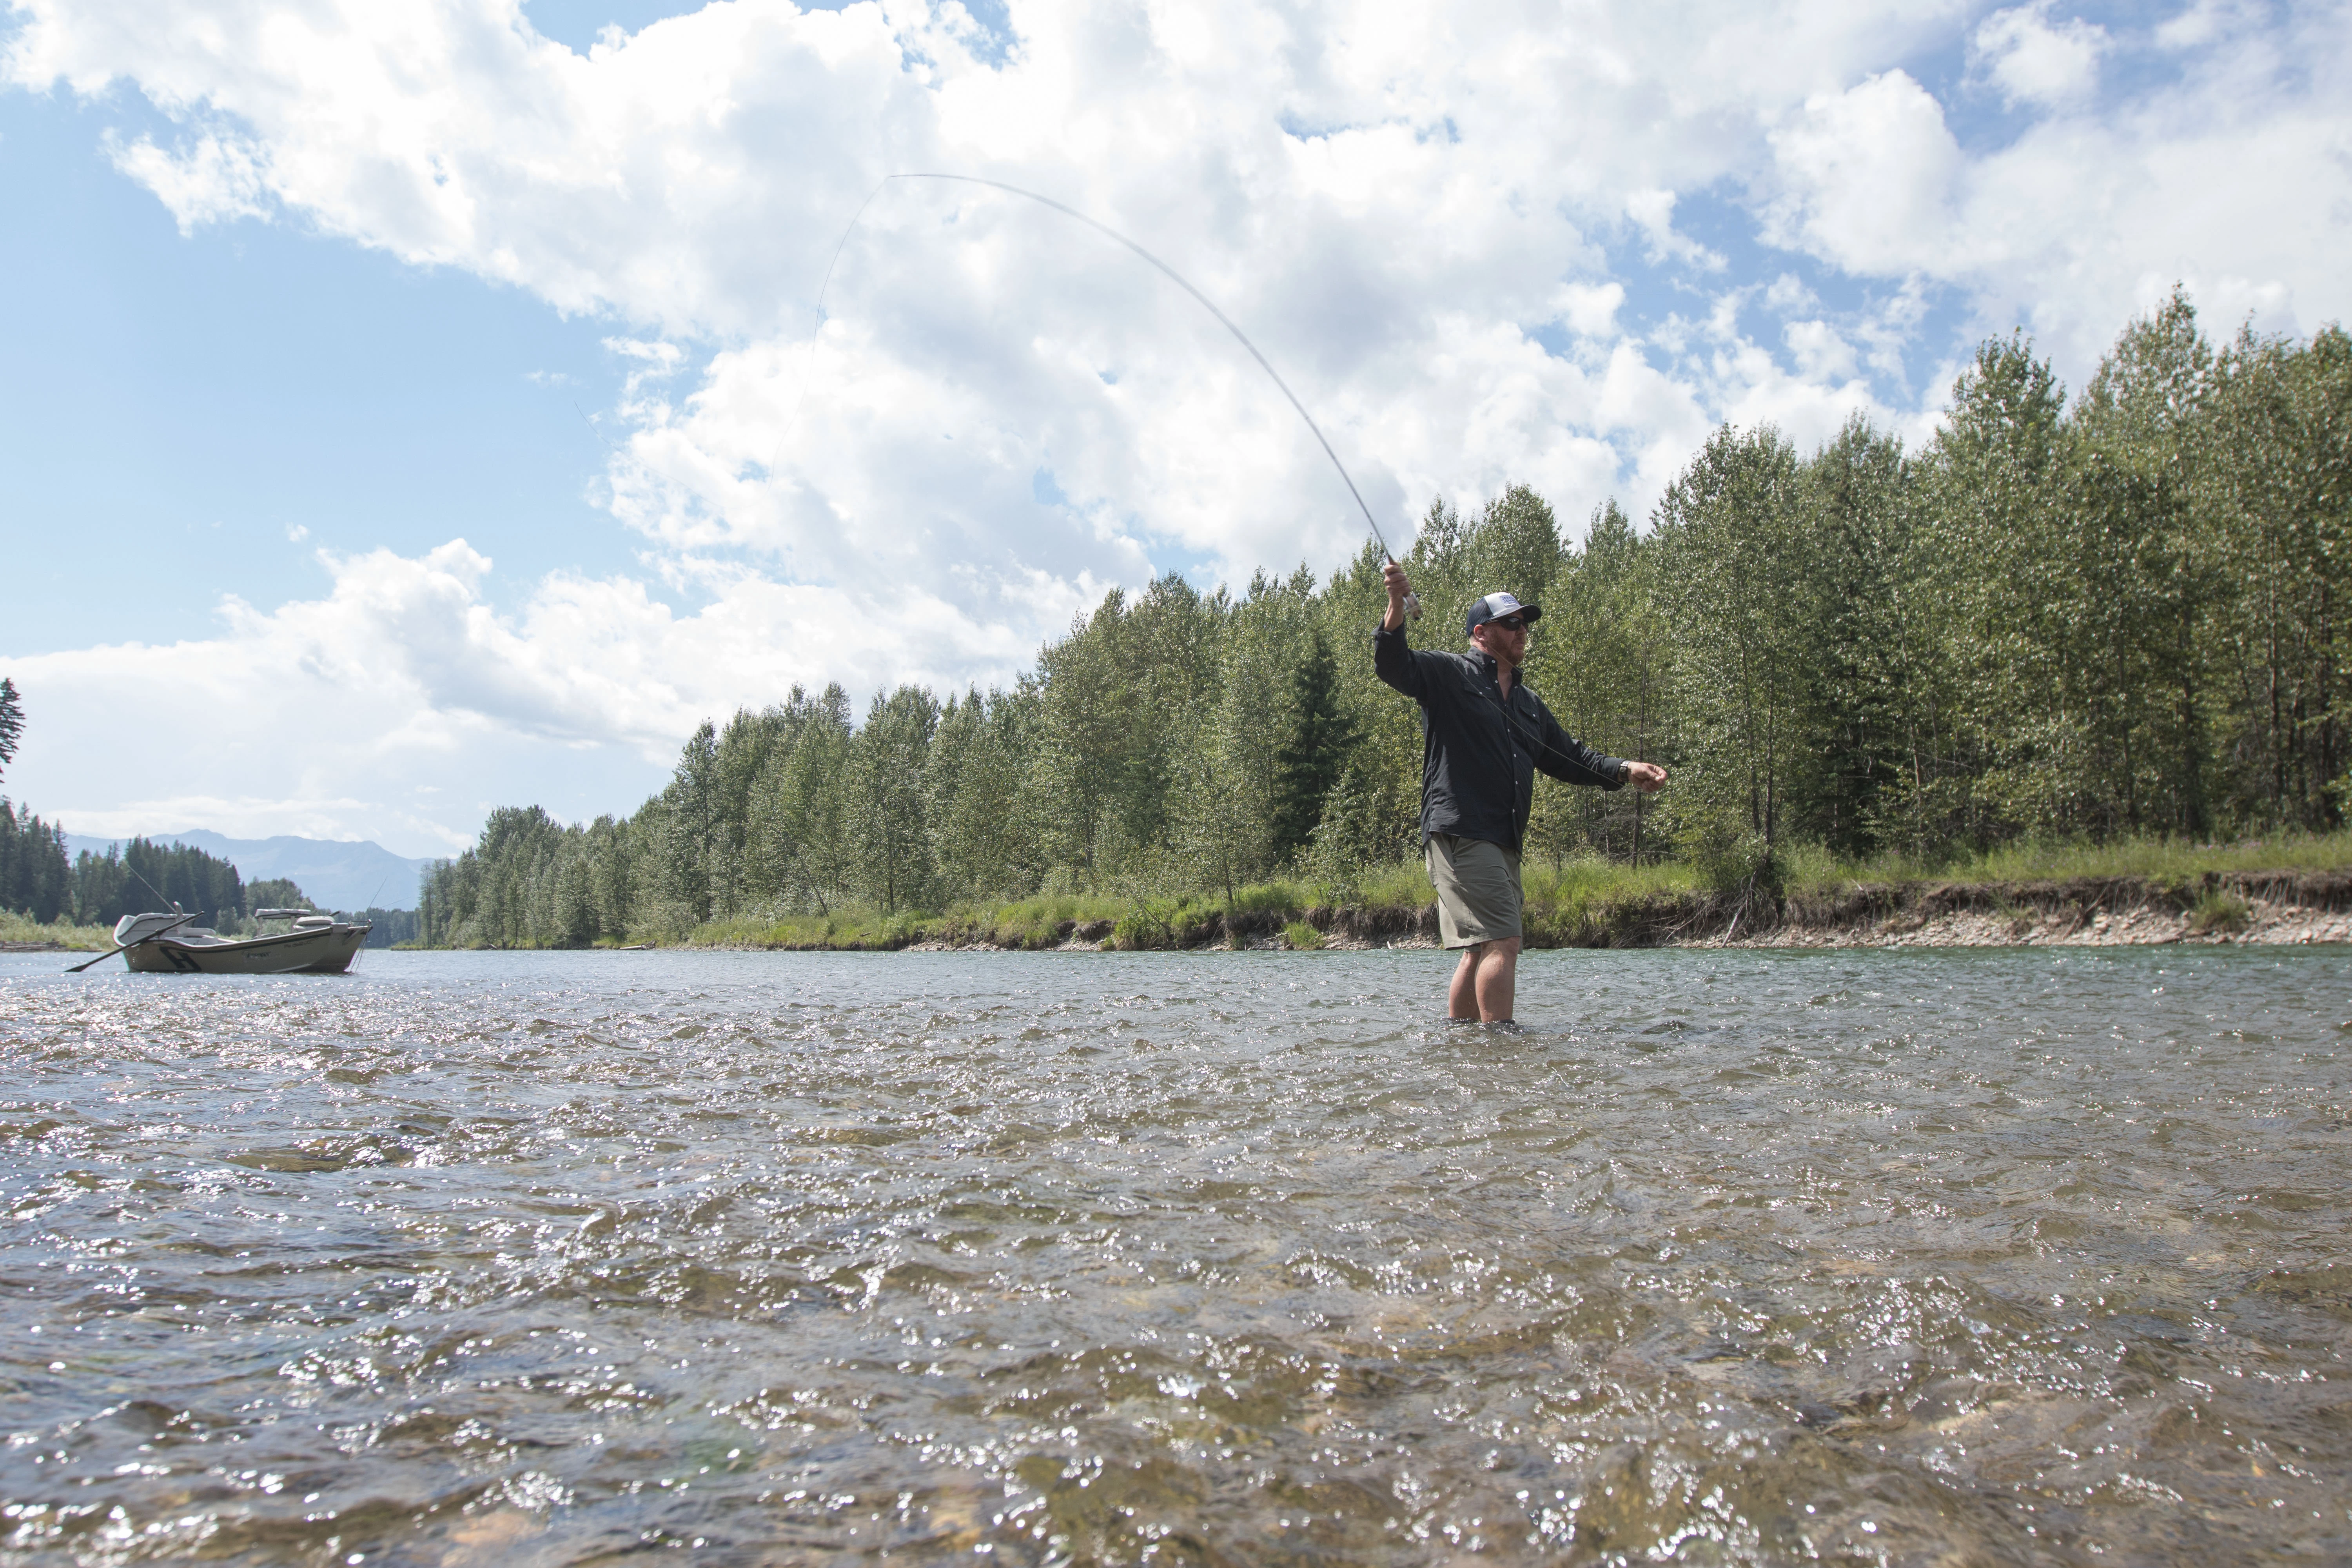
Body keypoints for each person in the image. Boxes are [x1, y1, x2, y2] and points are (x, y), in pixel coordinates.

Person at [1372, 561, 1668, 1023]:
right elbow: (1393, 665)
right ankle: (1500, 1051)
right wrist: (1395, 608)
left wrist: (1625, 769)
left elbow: (1571, 756)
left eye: (1524, 624)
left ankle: (1464, 1043)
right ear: (1480, 633)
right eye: (1510, 624)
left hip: (1504, 840)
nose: (1521, 631)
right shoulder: (1449, 675)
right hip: (1462, 833)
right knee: (1504, 942)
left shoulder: (1530, 706)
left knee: (1478, 949)